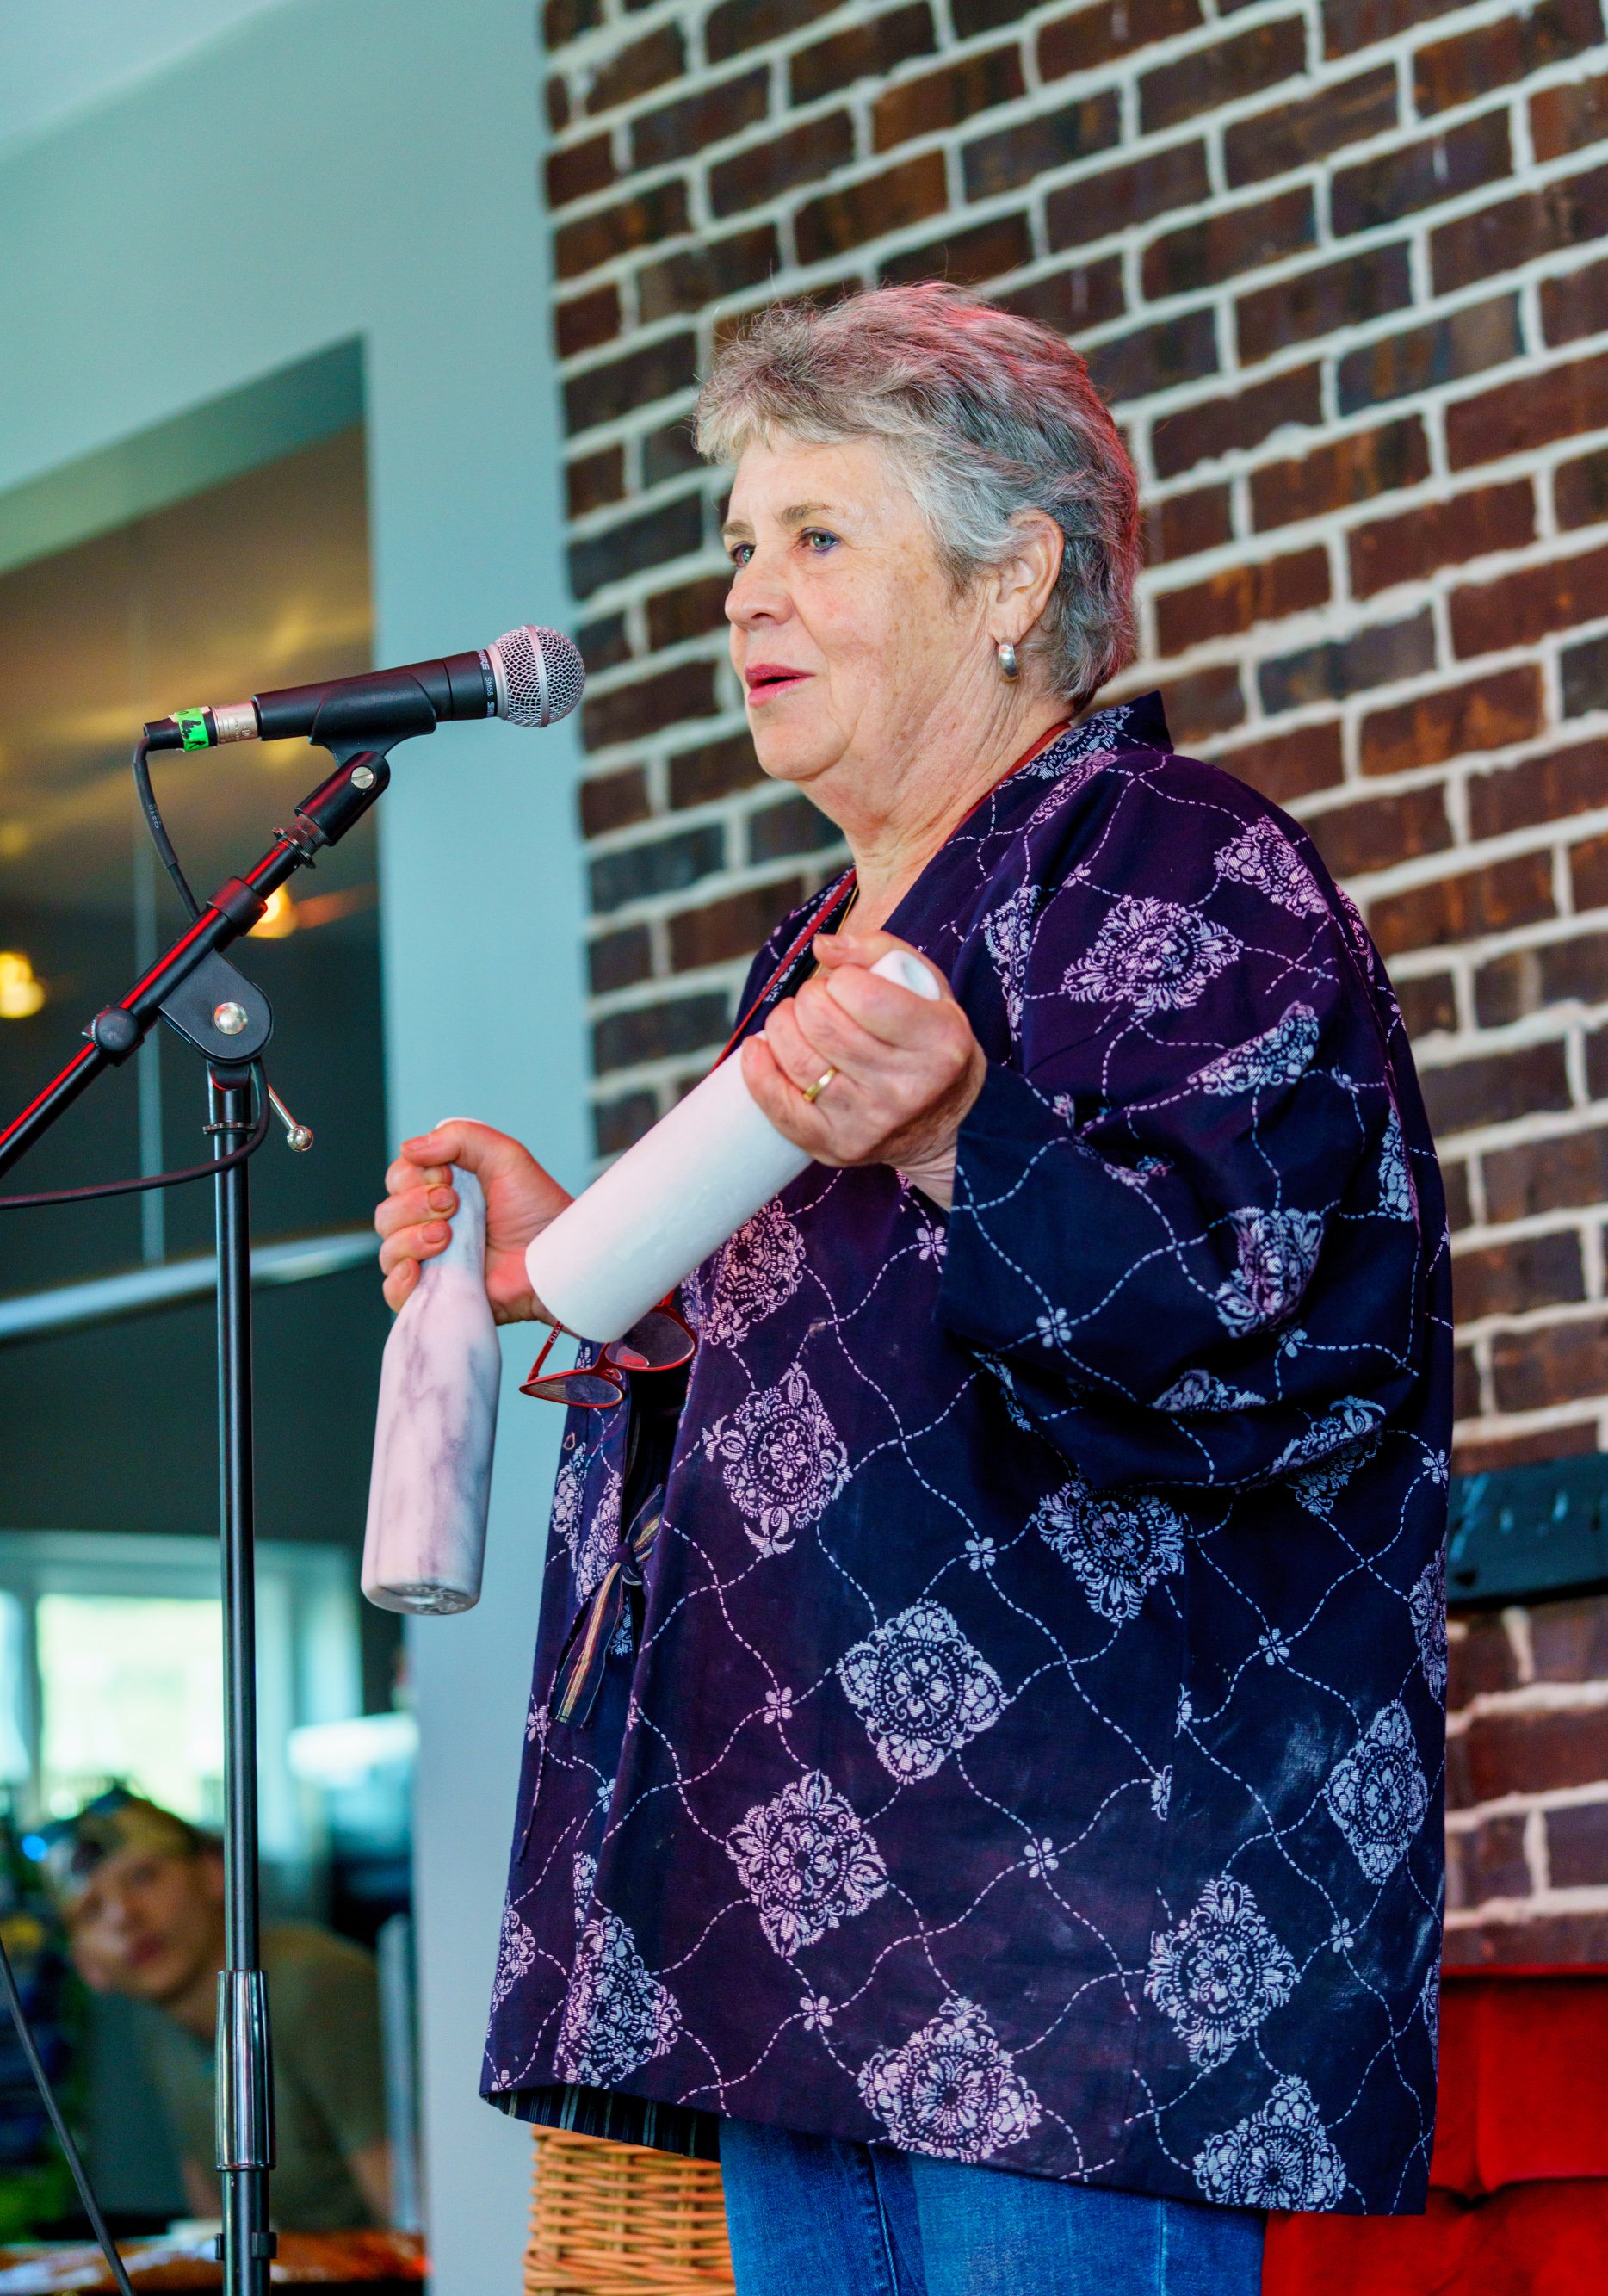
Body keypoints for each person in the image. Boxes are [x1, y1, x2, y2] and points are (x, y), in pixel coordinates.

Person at [376, 285, 1450, 2296]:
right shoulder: (811, 949)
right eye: (733, 545)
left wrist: (969, 1141)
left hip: (1072, 1970)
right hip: (808, 1961)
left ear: (1006, 581)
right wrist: (588, 1278)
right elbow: (843, 1379)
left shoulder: (1178, 870)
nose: (741, 597)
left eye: (814, 537)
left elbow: (1271, 1335)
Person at [43, 1789, 392, 2231]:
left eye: (143, 1877)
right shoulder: (158, 2028)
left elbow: (410, 2219)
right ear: (88, 1967)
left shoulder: (314, 1981)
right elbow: (216, 2216)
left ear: (216, 1871)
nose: (123, 1917)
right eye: (91, 1910)